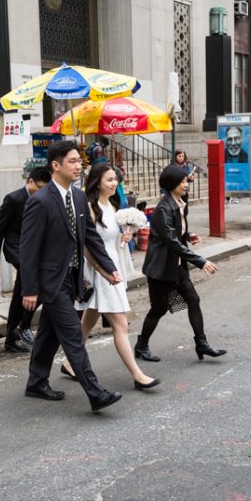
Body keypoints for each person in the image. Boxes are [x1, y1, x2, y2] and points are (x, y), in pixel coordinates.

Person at [19, 140, 125, 412]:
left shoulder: (78, 197)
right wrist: (29, 289)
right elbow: (28, 249)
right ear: (55, 166)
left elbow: (89, 237)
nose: (79, 166)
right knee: (73, 336)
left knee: (49, 333)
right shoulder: (40, 201)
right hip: (50, 281)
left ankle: (36, 382)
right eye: (73, 161)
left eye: (80, 161)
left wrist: (108, 267)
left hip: (74, 278)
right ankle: (95, 392)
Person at [59, 163, 159, 390]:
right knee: (121, 325)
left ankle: (68, 362)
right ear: (97, 182)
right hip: (100, 271)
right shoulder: (91, 207)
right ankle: (138, 374)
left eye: (115, 179)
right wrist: (103, 271)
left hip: (112, 266)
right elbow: (85, 245)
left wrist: (125, 237)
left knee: (89, 319)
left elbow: (110, 239)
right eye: (109, 179)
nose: (114, 183)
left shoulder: (112, 205)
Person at [133, 165, 225, 363]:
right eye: (183, 182)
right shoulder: (162, 210)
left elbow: (177, 235)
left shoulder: (181, 203)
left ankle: (201, 344)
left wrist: (188, 235)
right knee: (159, 309)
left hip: (177, 266)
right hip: (160, 269)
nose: (186, 185)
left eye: (186, 181)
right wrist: (200, 261)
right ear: (172, 184)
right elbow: (171, 242)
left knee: (193, 301)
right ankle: (141, 346)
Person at [0, 167, 51, 353]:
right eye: (39, 187)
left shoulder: (45, 198)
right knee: (27, 287)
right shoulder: (13, 199)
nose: (42, 191)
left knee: (34, 289)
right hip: (16, 249)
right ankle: (16, 332)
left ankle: (21, 327)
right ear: (30, 181)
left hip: (36, 249)